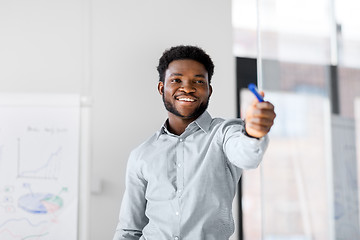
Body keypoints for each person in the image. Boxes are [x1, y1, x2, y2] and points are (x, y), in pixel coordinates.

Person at [113, 45, 276, 240]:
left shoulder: (224, 134)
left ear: (209, 90)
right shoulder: (141, 155)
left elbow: (247, 156)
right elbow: (129, 231)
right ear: (161, 87)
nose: (188, 88)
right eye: (176, 80)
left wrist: (253, 132)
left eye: (198, 81)